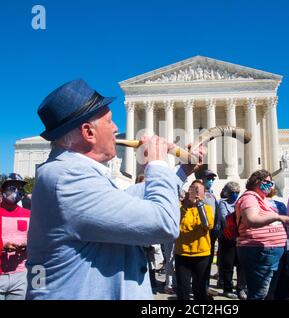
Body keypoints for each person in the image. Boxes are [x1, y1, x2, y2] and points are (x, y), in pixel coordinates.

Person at [26, 79, 205, 300]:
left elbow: (125, 202)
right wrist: (157, 163)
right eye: (109, 121)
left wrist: (182, 172)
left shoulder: (72, 173)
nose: (116, 128)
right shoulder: (67, 178)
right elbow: (163, 224)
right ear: (88, 132)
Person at [235, 170, 289, 300]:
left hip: (267, 252)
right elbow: (252, 220)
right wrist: (277, 217)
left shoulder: (259, 199)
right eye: (267, 182)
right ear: (257, 182)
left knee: (266, 293)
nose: (271, 186)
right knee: (259, 294)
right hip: (258, 250)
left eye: (272, 183)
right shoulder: (249, 198)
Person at [175, 180, 214, 300]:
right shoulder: (180, 207)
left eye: (199, 191)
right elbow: (176, 224)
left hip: (201, 254)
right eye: (193, 189)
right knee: (183, 290)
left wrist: (199, 205)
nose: (195, 193)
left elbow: (207, 225)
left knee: (200, 290)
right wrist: (186, 205)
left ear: (203, 194)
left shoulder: (207, 208)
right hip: (183, 253)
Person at [0, 173, 31, 300]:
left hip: (21, 275)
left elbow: (36, 239)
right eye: (12, 187)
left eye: (19, 188)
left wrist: (29, 245)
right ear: (2, 190)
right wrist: (2, 247)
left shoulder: (29, 214)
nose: (16, 191)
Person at [218, 181, 246, 300]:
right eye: (232, 192)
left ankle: (241, 288)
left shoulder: (241, 203)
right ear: (227, 193)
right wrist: (239, 216)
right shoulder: (222, 204)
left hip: (240, 237)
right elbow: (225, 220)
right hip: (228, 238)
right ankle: (227, 288)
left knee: (241, 265)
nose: (235, 194)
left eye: (237, 192)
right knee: (227, 265)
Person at [200, 169, 220, 297]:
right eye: (209, 178)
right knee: (202, 261)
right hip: (202, 232)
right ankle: (201, 288)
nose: (211, 181)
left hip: (212, 232)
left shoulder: (212, 194)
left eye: (213, 178)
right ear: (203, 179)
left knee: (208, 261)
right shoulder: (198, 192)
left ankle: (205, 286)